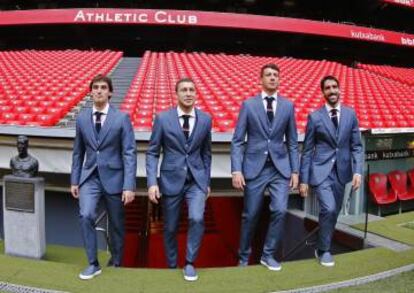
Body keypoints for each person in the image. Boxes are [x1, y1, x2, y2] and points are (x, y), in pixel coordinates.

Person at [231, 64, 299, 271]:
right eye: (268, 75)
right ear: (260, 80)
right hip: (254, 168)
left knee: (279, 210)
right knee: (250, 215)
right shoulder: (249, 105)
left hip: (280, 169)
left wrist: (295, 170)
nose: (272, 78)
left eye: (275, 75)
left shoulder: (288, 106)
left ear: (279, 80)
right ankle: (243, 257)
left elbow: (293, 142)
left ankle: (267, 255)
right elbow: (237, 140)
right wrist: (236, 169)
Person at [70, 74, 137, 280]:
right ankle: (93, 263)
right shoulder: (81, 118)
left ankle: (117, 261)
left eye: (102, 87)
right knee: (86, 215)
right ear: (91, 92)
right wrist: (74, 179)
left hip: (115, 178)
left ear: (110, 92)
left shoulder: (122, 118)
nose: (98, 90)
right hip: (89, 177)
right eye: (95, 87)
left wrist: (129, 185)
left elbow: (129, 153)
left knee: (117, 223)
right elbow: (78, 152)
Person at [146, 78, 212, 281]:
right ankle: (172, 264)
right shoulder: (163, 118)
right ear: (177, 94)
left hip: (196, 181)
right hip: (170, 180)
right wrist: (152, 182)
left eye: (192, 89)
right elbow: (152, 152)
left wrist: (206, 180)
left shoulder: (206, 119)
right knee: (171, 227)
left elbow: (206, 153)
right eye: (184, 89)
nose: (188, 93)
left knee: (197, 218)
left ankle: (190, 262)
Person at [299, 75, 362, 267]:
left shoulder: (350, 114)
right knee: (329, 208)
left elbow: (356, 146)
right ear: (323, 92)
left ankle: (320, 243)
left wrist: (357, 171)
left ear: (339, 89)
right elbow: (308, 150)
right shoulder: (315, 117)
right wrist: (304, 179)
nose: (332, 90)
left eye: (335, 87)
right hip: (320, 171)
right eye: (328, 88)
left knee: (334, 214)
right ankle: (324, 250)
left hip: (342, 172)